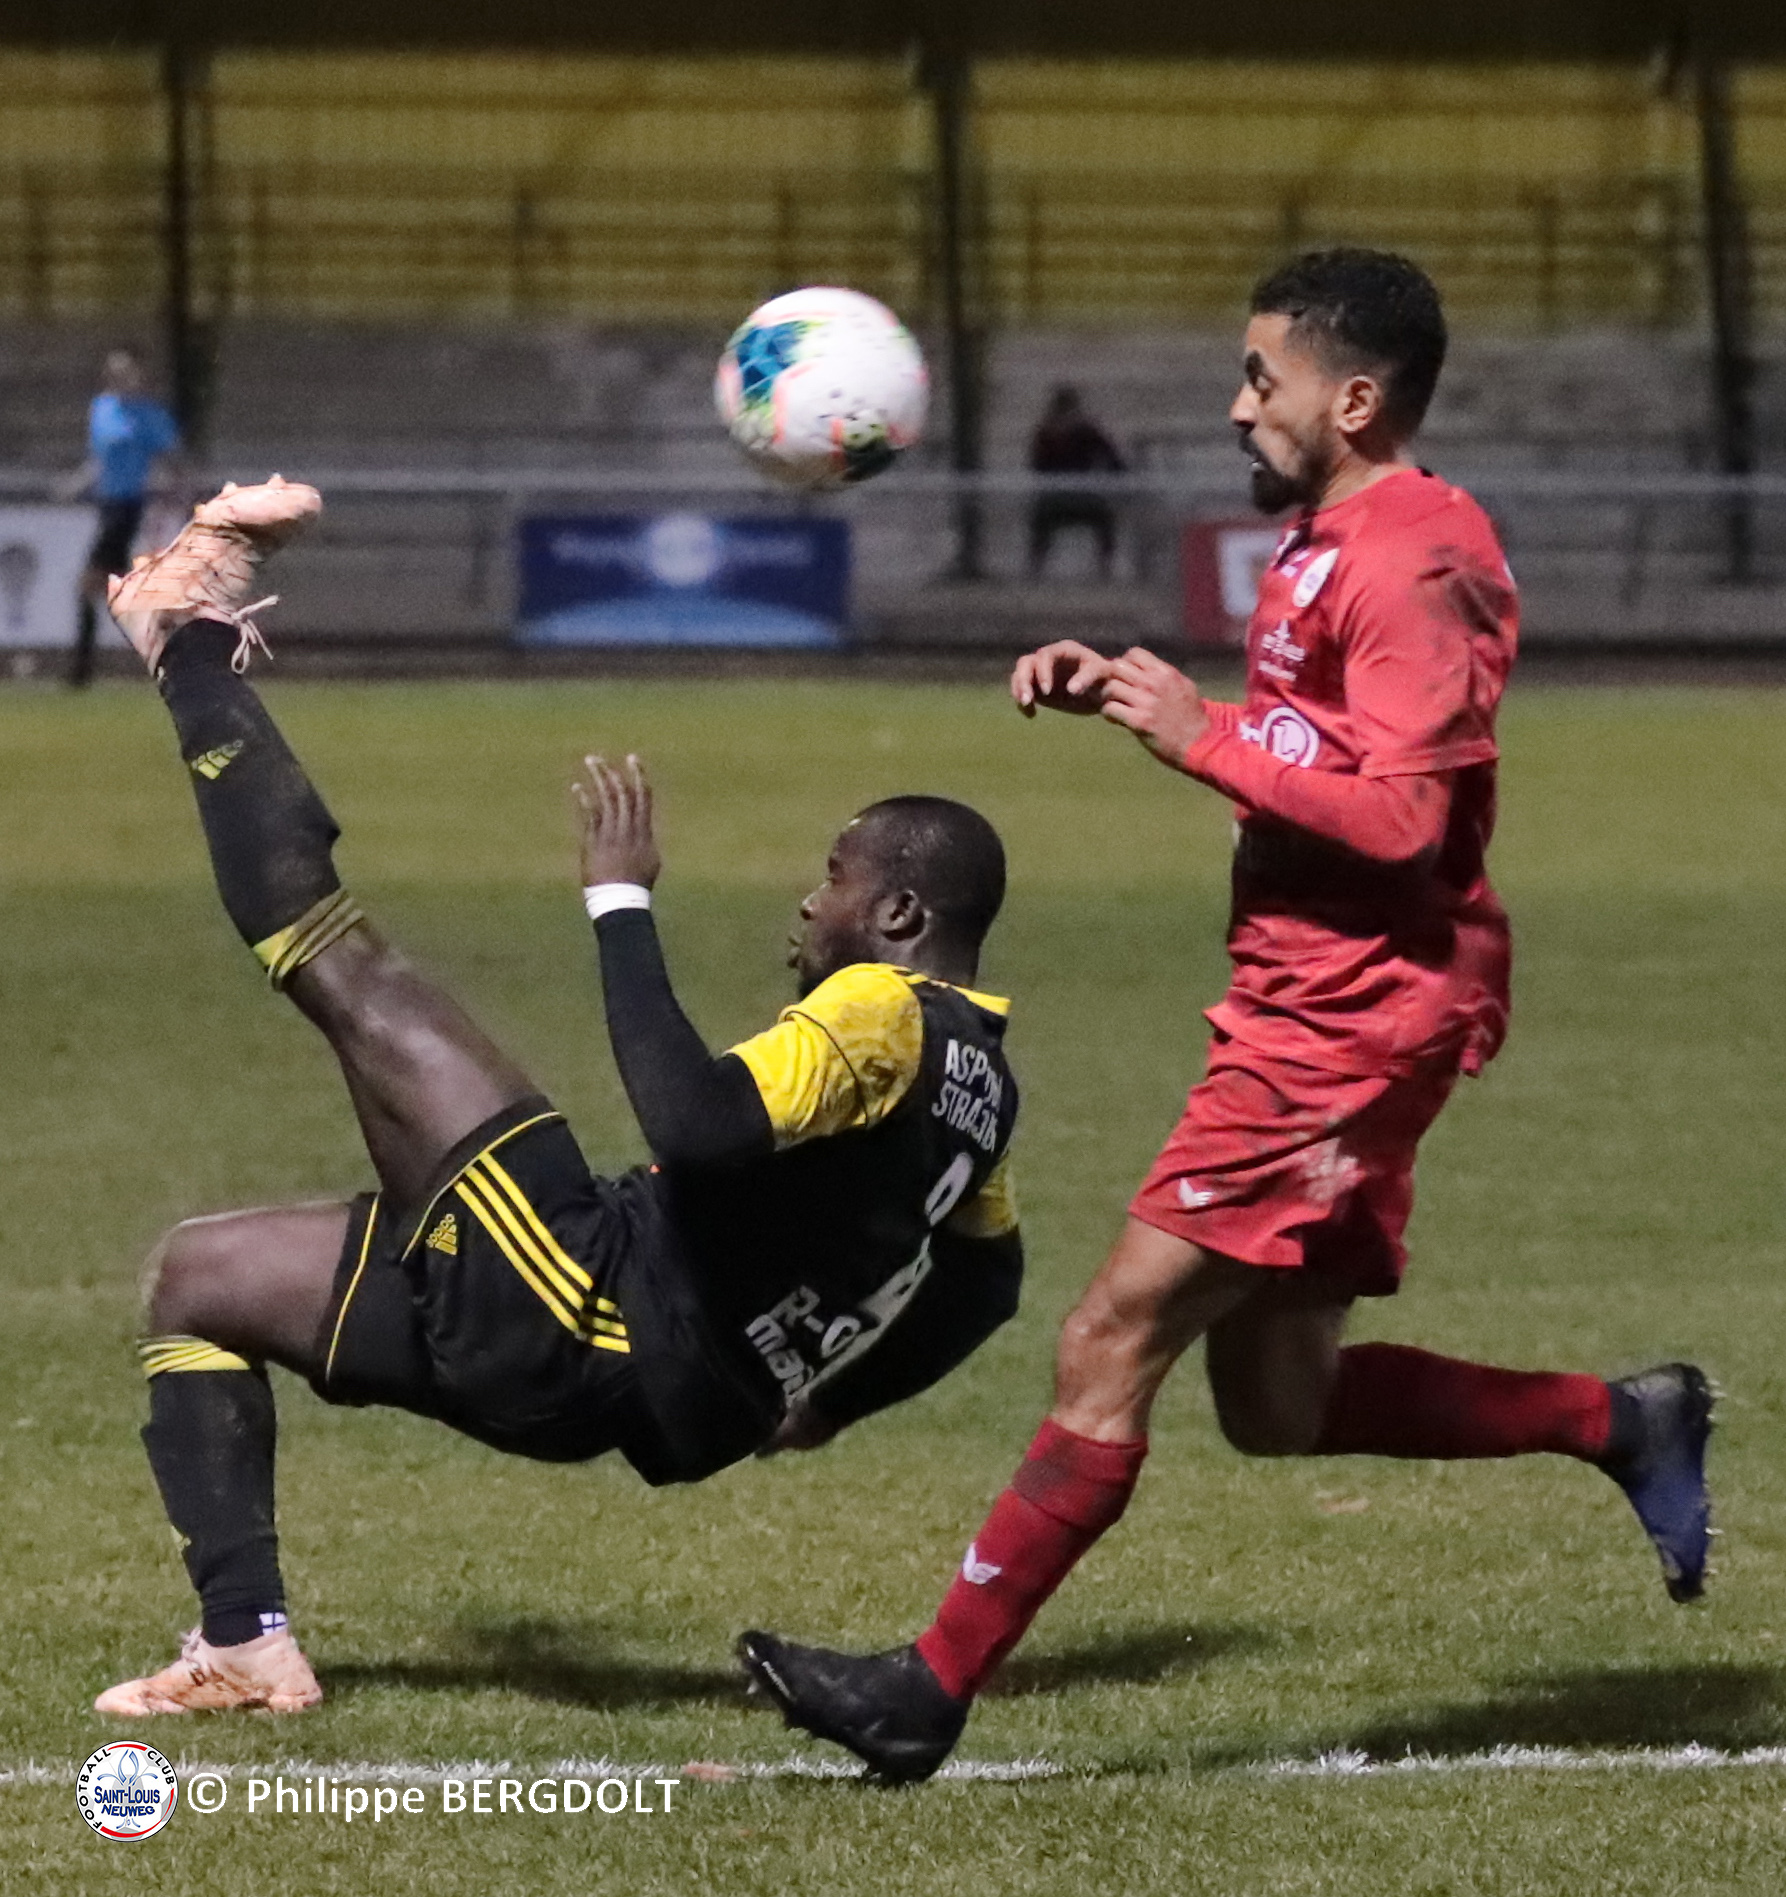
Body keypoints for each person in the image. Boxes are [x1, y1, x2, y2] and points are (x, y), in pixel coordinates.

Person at [738, 249, 1714, 1781]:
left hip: (1348, 1023)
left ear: (1355, 398)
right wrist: (1147, 697)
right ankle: (1618, 1419)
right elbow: (1325, 746)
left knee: (1107, 1333)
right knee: (1277, 1402)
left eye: (1263, 377)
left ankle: (923, 1690)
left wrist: (1198, 738)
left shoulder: (1414, 561)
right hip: (1304, 999)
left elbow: (1403, 820)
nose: (1237, 404)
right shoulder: (1329, 540)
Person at [92, 479, 1023, 1716]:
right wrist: (822, 1405)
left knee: (342, 965)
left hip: (587, 1301)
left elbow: (693, 1126)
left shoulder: (883, 1012)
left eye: (835, 876)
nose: (813, 901)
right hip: (630, 1363)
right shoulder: (985, 1082)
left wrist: (619, 900)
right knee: (201, 1280)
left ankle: (186, 635)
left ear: (900, 914)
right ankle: (243, 1643)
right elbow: (984, 1285)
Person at [64, 348, 182, 688]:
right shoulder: (102, 408)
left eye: (127, 371)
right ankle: (166, 658)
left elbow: (172, 459)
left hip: (129, 507)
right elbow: (100, 459)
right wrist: (76, 483)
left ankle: (81, 671)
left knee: (90, 585)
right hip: (108, 505)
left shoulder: (149, 415)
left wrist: (175, 493)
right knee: (119, 592)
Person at [1026, 386, 1126, 581]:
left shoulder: (1086, 431)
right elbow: (1037, 468)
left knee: (1104, 518)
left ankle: (1105, 567)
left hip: (1082, 497)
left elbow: (1113, 459)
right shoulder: (1047, 434)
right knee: (1041, 519)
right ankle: (1036, 567)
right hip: (1057, 500)